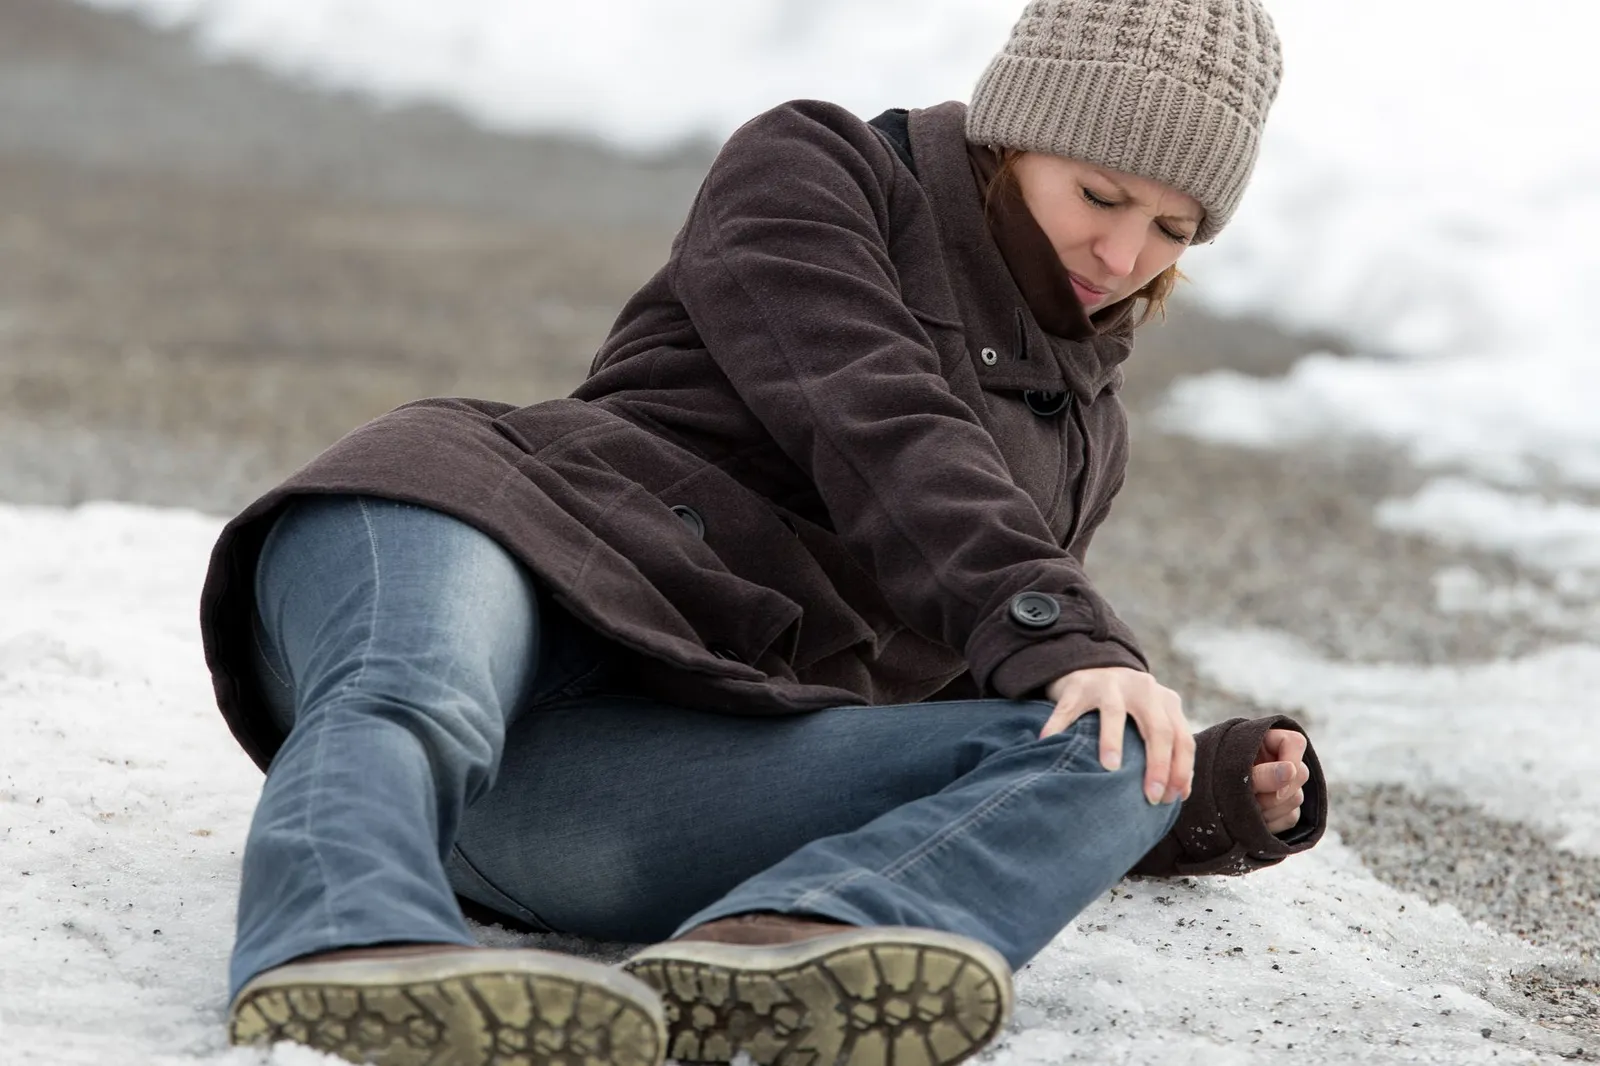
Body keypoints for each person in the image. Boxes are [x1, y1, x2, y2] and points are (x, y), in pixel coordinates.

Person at [201, 1, 1326, 1064]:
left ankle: (788, 948)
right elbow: (873, 412)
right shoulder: (817, 168)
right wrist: (1056, 626)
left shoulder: (1083, 436)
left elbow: (938, 684)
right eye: (1098, 193)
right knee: (424, 687)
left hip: (609, 786)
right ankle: (337, 939)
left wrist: (1199, 784)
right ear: (1015, 137)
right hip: (490, 530)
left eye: (1173, 228)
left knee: (1119, 747)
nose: (1123, 256)